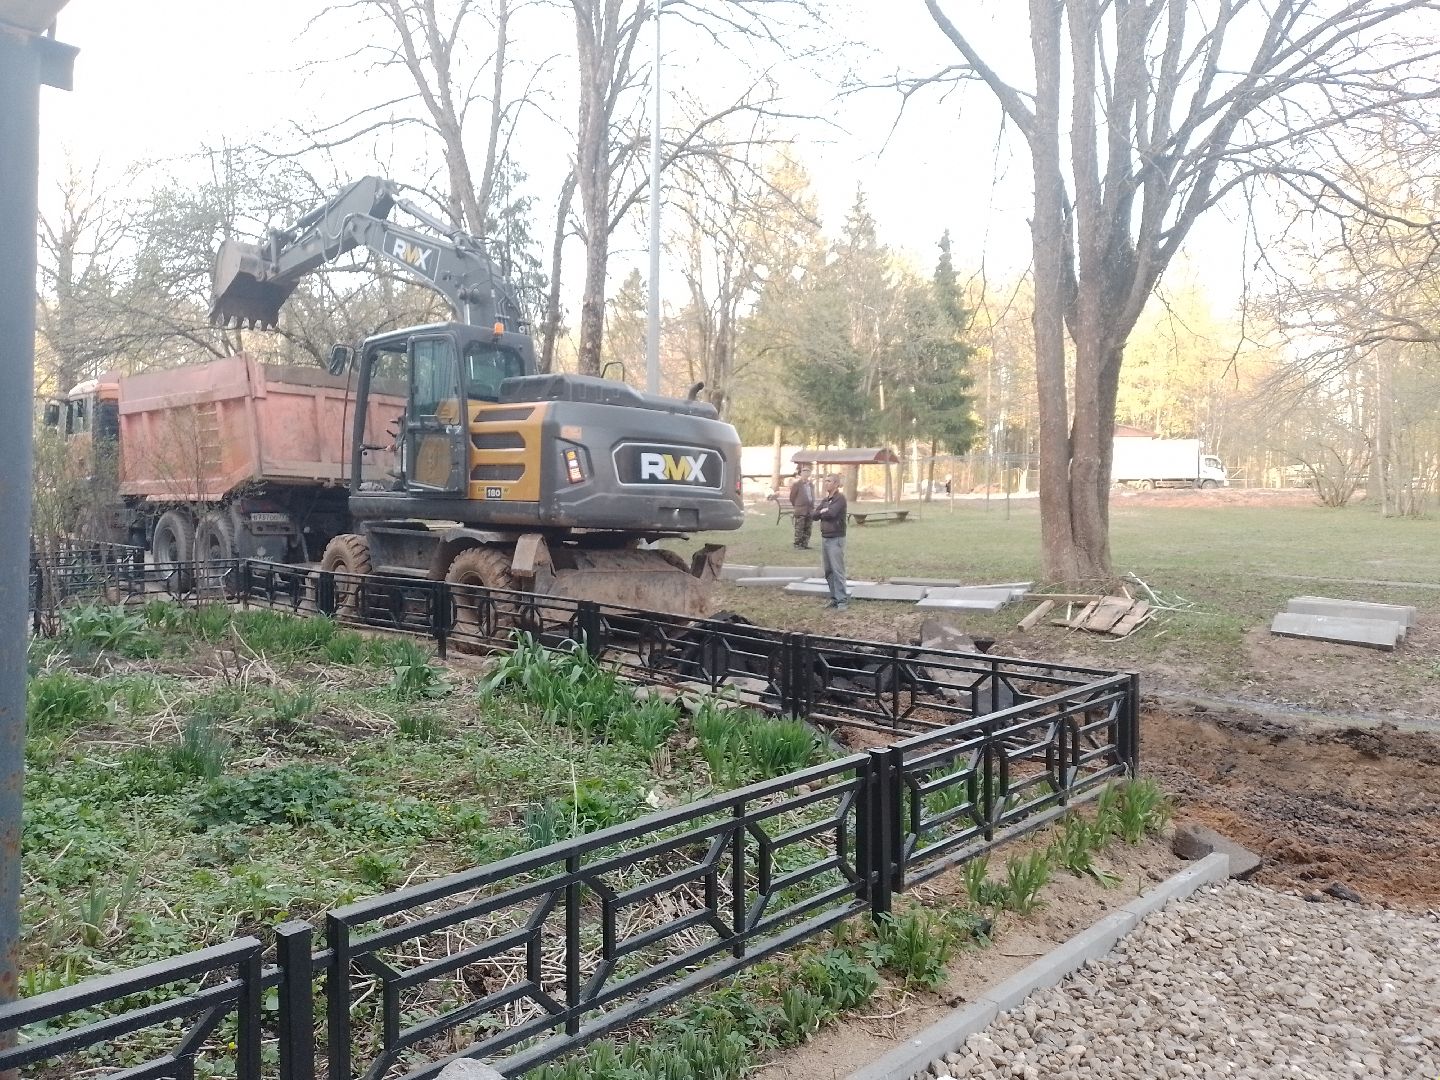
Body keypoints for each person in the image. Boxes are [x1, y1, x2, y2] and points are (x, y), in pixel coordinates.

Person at [811, 473, 849, 610]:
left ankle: (842, 601)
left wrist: (823, 511)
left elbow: (832, 514)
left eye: (829, 481)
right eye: (825, 481)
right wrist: (823, 510)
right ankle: (834, 598)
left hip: (836, 538)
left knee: (837, 570)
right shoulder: (826, 500)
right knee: (828, 571)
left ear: (836, 484)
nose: (826, 483)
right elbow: (814, 515)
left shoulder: (840, 499)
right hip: (825, 537)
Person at [788, 464, 815, 549]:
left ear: (810, 474)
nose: (806, 473)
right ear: (801, 474)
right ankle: (797, 544)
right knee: (799, 527)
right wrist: (797, 505)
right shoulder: (797, 484)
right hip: (800, 509)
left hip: (809, 509)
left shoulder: (811, 484)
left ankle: (805, 544)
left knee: (808, 527)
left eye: (808, 472)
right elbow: (792, 497)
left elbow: (811, 495)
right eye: (804, 471)